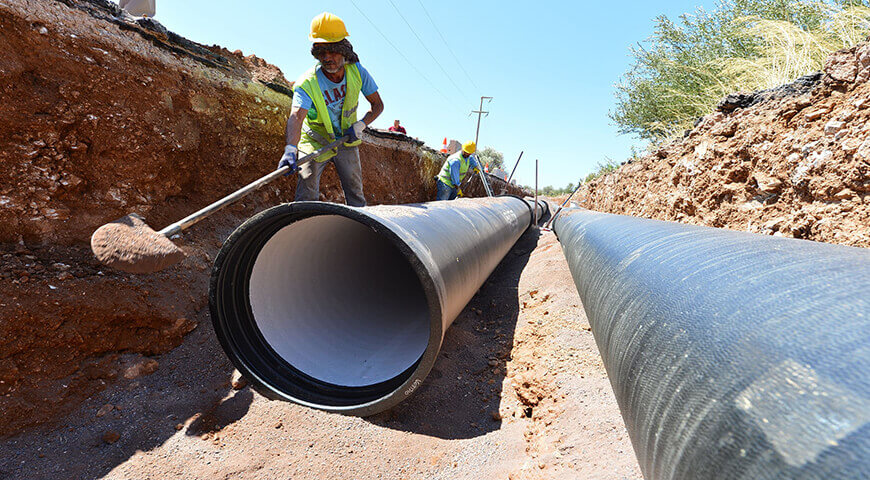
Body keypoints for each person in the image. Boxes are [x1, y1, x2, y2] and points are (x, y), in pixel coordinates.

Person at [278, 12, 384, 207]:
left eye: (332, 51)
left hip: (346, 139)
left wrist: (361, 124)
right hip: (315, 140)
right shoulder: (307, 83)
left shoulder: (357, 72)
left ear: (344, 51)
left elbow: (378, 105)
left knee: (355, 193)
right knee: (306, 188)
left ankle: (361, 229)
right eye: (321, 52)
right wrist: (291, 148)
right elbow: (296, 116)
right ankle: (303, 228)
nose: (327, 58)